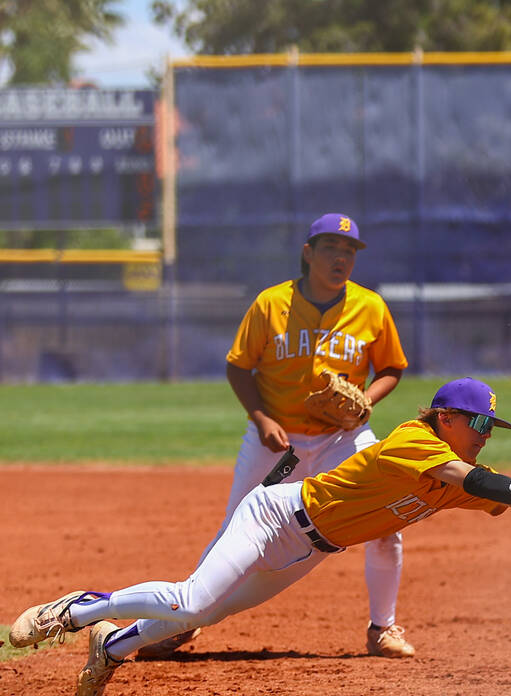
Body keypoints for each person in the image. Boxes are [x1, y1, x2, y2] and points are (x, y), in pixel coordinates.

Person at [9, 377, 511, 696]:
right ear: (445, 417)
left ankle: (112, 646)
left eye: (491, 427)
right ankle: (73, 611)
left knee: (209, 612)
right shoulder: (415, 442)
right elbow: (488, 482)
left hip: (308, 551)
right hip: (275, 516)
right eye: (478, 423)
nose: (485, 434)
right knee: (192, 599)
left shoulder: (454, 478)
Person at [137, 213, 413, 660]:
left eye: (349, 251)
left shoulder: (371, 307)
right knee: (233, 533)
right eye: (330, 248)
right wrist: (262, 419)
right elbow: (238, 366)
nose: (341, 257)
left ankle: (382, 627)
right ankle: (180, 621)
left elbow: (393, 368)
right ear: (308, 254)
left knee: (386, 524)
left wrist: (365, 401)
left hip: (343, 441)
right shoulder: (270, 304)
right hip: (275, 441)